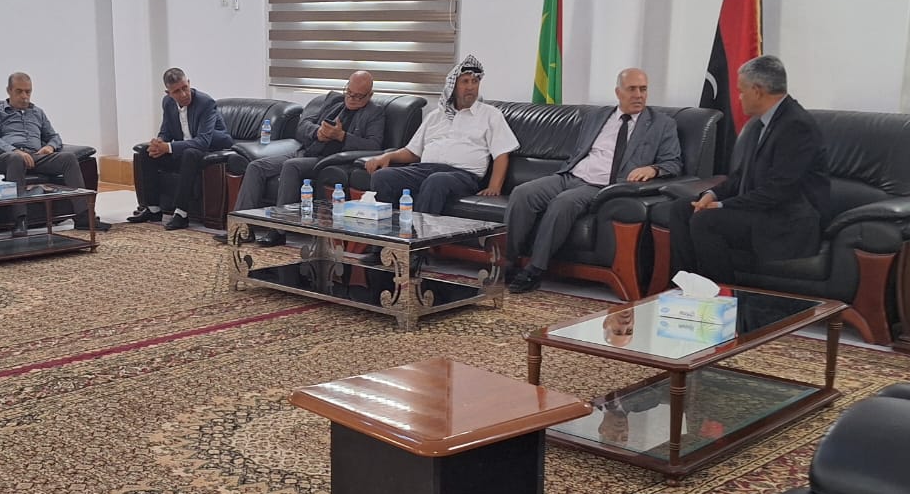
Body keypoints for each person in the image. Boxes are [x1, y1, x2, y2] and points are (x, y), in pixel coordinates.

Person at [505, 68, 681, 293]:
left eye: (643, 89)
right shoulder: (597, 116)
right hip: (570, 175)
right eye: (632, 89)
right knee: (522, 193)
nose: (638, 95)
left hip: (600, 186)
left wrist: (653, 169)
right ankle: (506, 263)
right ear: (618, 92)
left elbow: (673, 163)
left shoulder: (662, 124)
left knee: (563, 203)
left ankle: (535, 270)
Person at [667, 55, 827, 286]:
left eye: (741, 91)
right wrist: (711, 195)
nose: (739, 97)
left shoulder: (796, 126)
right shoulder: (760, 123)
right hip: (760, 212)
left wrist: (722, 206)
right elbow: (740, 176)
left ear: (757, 91)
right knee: (682, 208)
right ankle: (687, 288)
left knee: (706, 220)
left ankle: (723, 297)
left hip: (785, 222)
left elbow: (778, 191)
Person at [218, 70, 386, 246]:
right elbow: (302, 126)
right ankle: (242, 229)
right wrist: (317, 132)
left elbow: (374, 146)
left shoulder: (375, 112)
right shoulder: (334, 101)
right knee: (256, 166)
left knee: (291, 166)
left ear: (370, 95)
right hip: (306, 151)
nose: (351, 99)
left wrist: (341, 136)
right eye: (349, 92)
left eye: (358, 96)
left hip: (328, 160)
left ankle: (279, 230)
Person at [364, 54, 517, 215]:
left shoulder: (490, 115)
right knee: (383, 177)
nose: (471, 87)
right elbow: (413, 152)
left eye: (475, 81)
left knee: (437, 180)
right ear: (453, 86)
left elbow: (502, 154)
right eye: (465, 81)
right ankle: (390, 228)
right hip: (423, 170)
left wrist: (494, 187)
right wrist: (387, 156)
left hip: (462, 176)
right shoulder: (436, 115)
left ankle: (419, 230)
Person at [0, 72, 108, 236]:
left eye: (28, 91)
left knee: (68, 158)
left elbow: (54, 136)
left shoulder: (37, 112)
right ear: (9, 91)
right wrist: (15, 151)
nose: (24, 96)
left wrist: (50, 147)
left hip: (36, 156)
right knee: (16, 159)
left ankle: (83, 217)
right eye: (19, 91)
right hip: (6, 158)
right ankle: (20, 220)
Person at [127, 68, 233, 230]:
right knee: (146, 153)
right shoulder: (168, 102)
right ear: (168, 93)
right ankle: (153, 209)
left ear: (189, 83)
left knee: (190, 154)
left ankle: (181, 214)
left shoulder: (205, 103)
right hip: (184, 148)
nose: (183, 94)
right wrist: (159, 143)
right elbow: (166, 131)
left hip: (210, 149)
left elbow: (203, 141)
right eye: (177, 91)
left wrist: (168, 147)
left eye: (185, 88)